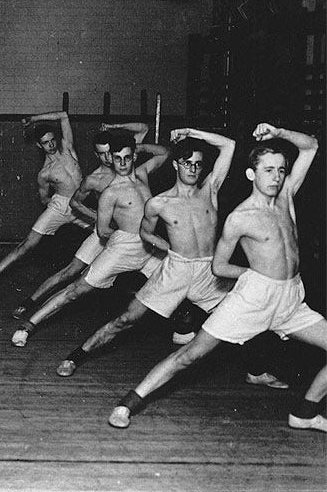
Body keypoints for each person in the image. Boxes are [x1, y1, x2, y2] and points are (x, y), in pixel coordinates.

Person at [109, 124, 326, 432]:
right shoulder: (240, 218)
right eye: (268, 170)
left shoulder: (286, 196)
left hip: (290, 297)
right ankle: (127, 404)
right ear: (251, 174)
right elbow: (219, 267)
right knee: (190, 355)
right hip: (253, 297)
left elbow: (311, 146)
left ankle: (304, 413)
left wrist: (279, 132)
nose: (276, 177)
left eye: (280, 170)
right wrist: (253, 276)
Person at [56, 128, 287, 385]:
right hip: (176, 269)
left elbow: (229, 145)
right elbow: (145, 232)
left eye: (198, 164)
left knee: (245, 311)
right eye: (187, 163)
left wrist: (191, 132)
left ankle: (255, 372)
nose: (193, 169)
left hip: (208, 272)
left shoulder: (210, 190)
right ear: (176, 165)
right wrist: (165, 246)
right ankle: (75, 357)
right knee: (127, 319)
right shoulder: (159, 203)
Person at [11, 131, 170, 347]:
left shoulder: (142, 173)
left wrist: (133, 146)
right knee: (75, 288)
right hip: (121, 243)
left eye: (126, 157)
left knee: (178, 277)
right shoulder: (106, 187)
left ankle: (187, 328)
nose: (121, 162)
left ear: (133, 156)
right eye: (116, 157)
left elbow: (165, 152)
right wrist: (115, 230)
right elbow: (100, 228)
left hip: (148, 246)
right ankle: (28, 325)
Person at [0, 110, 88, 295]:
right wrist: (58, 206)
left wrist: (33, 119)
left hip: (82, 206)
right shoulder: (44, 173)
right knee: (27, 244)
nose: (51, 145)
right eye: (46, 142)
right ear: (39, 145)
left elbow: (63, 116)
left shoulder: (68, 149)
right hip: (60, 206)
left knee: (111, 235)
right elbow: (44, 198)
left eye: (52, 140)